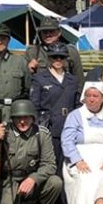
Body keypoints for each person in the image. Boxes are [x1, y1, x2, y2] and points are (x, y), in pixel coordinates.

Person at [30, 43, 80, 171]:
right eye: (54, 57)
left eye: (61, 57)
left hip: (69, 128)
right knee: (51, 165)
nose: (58, 60)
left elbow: (77, 104)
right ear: (49, 58)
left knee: (69, 166)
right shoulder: (39, 79)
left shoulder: (72, 80)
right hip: (49, 128)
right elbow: (34, 106)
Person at [26, 18, 84, 88]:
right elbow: (26, 83)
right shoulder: (33, 52)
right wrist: (28, 70)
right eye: (44, 32)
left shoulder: (71, 51)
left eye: (51, 31)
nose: (48, 34)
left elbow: (79, 80)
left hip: (65, 93)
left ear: (59, 32)